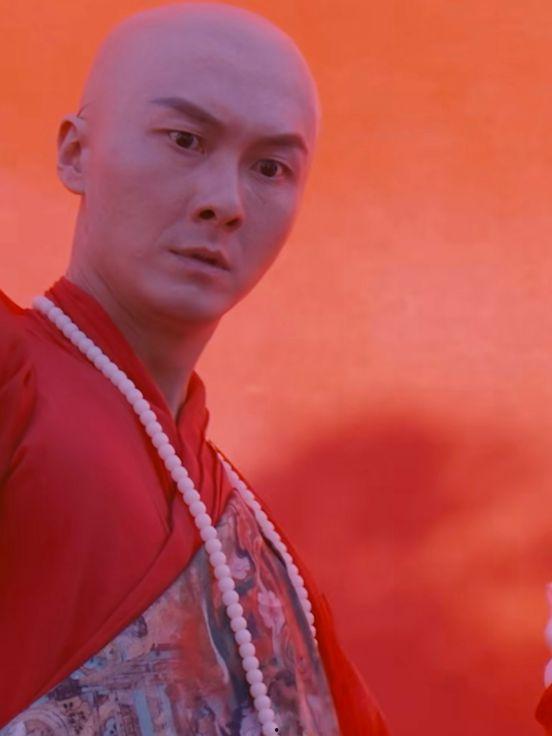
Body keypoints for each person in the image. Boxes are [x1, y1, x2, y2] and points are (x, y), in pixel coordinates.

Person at [0, 2, 389, 734]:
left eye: (270, 168)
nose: (224, 203)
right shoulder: (14, 381)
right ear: (76, 153)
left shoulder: (270, 569)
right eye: (184, 140)